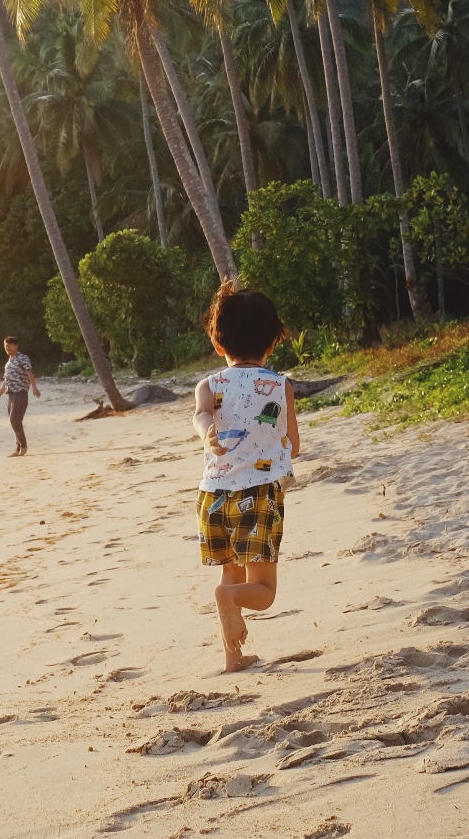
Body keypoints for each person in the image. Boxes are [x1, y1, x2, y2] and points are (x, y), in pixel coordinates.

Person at [192, 282, 299, 673]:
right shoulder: (280, 385)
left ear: (219, 345)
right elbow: (293, 444)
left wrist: (208, 431)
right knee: (263, 591)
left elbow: (201, 414)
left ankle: (233, 658)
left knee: (230, 574)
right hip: (258, 493)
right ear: (271, 343)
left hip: (213, 496)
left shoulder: (209, 385)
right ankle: (228, 601)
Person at [0, 336, 42, 457]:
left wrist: (34, 388)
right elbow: (6, 381)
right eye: (5, 346)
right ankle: (18, 447)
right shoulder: (8, 363)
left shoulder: (23, 358)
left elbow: (30, 373)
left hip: (21, 393)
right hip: (11, 395)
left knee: (15, 420)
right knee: (14, 422)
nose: (7, 348)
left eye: (9, 345)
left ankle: (23, 446)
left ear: (16, 346)